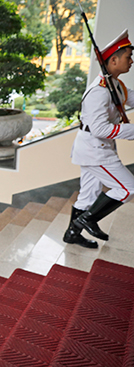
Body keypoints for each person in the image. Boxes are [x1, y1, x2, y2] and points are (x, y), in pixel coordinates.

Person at [63, 29, 134, 249]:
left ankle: (72, 233)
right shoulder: (99, 92)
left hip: (96, 148)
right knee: (128, 188)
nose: (131, 61)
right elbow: (99, 129)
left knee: (87, 195)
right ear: (113, 60)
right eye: (128, 56)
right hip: (95, 149)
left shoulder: (116, 86)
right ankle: (88, 219)